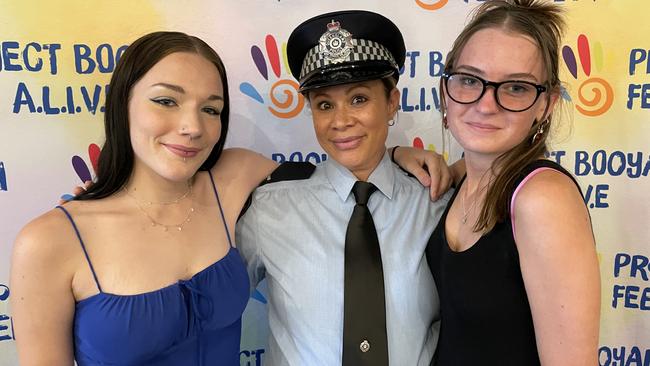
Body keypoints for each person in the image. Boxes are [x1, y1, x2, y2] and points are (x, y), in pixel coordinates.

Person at [11, 31, 448, 365]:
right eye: (166, 100)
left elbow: (343, 171)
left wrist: (392, 154)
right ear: (122, 102)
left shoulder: (233, 180)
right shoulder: (48, 241)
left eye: (211, 109)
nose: (192, 127)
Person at [236, 10, 456, 365]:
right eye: (325, 105)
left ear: (392, 103)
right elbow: (213, 307)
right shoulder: (270, 208)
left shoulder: (435, 202)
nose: (341, 121)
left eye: (358, 99)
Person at [425, 1, 601, 365]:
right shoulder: (461, 178)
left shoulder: (542, 198)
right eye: (470, 80)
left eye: (516, 88)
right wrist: (397, 154)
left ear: (546, 105)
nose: (487, 104)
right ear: (446, 89)